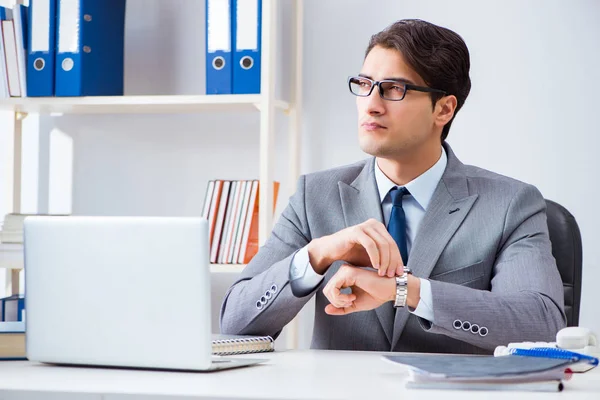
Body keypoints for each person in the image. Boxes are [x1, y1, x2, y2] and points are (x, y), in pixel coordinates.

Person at [220, 19, 566, 354]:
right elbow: (235, 323)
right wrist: (317, 255)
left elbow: (540, 325)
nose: (371, 104)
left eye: (393, 89)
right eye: (364, 84)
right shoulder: (316, 195)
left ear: (443, 109)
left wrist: (407, 291)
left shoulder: (510, 204)